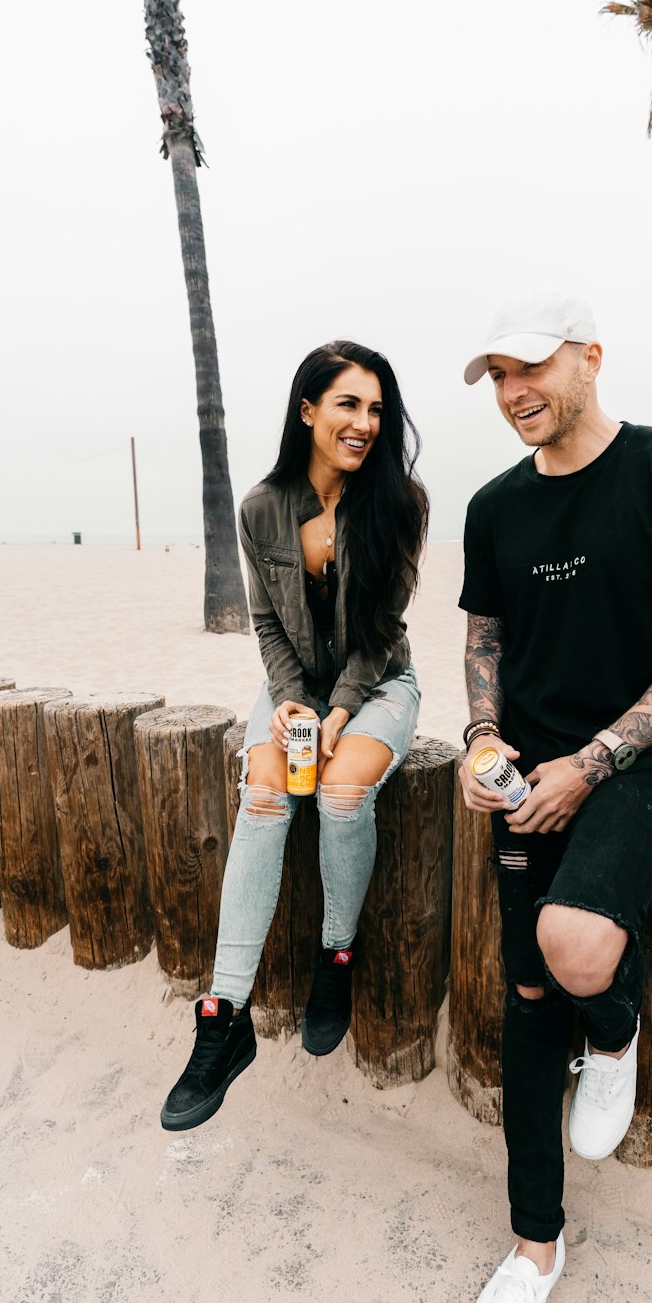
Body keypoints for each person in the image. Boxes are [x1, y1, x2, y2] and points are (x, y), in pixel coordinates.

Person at [456, 289, 652, 1303]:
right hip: (527, 768)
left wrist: (594, 764)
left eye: (530, 366)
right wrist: (484, 738)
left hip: (641, 753)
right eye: (494, 376)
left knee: (575, 951)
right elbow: (484, 640)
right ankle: (534, 1251)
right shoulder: (493, 507)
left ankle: (617, 1034)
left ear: (589, 356)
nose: (514, 392)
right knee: (527, 994)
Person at [160, 341, 428, 1131]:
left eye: (377, 409)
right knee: (266, 799)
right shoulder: (261, 508)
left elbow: (380, 634)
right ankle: (224, 1018)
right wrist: (286, 700)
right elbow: (270, 625)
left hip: (380, 684)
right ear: (308, 409)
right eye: (348, 404)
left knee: (342, 792)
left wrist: (339, 711)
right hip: (293, 692)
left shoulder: (399, 503)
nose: (365, 423)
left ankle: (336, 956)